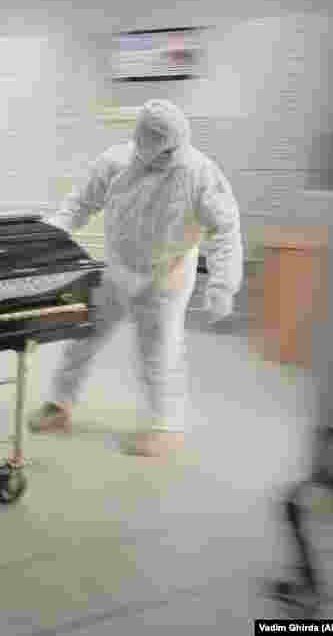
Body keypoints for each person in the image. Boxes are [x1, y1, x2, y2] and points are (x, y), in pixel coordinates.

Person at [30, 99, 243, 457]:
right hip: (118, 268)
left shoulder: (200, 173)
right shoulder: (116, 162)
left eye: (168, 151)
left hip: (165, 277)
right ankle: (60, 405)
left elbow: (226, 230)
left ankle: (166, 425)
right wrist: (52, 233)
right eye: (154, 151)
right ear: (140, 141)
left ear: (179, 142)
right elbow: (80, 203)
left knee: (158, 354)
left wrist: (222, 285)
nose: (162, 159)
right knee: (84, 335)